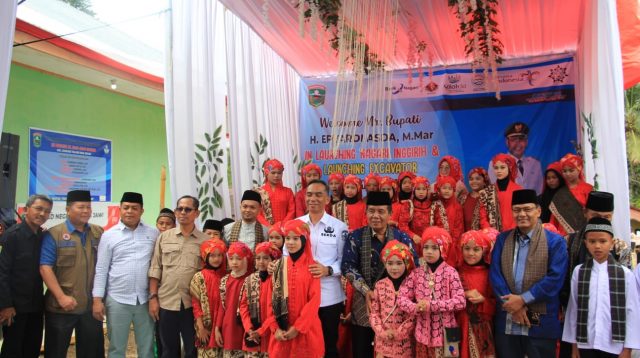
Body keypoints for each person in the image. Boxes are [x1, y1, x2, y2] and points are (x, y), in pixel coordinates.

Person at [489, 189, 568, 358]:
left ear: (538, 211)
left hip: (542, 322)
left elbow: (554, 280)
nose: (522, 214)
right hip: (508, 319)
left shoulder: (555, 242)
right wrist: (513, 306)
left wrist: (523, 300)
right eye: (517, 210)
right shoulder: (502, 239)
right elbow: (495, 274)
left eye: (527, 209)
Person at [341, 191, 419, 357]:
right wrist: (365, 290)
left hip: (396, 308)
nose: (375, 216)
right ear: (366, 212)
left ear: (390, 213)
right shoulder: (355, 237)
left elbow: (414, 267)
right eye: (371, 211)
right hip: (364, 304)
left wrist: (402, 293)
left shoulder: (402, 237)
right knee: (362, 351)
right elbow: (347, 266)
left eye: (381, 211)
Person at [92, 192, 158, 358]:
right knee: (116, 348)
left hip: (145, 300)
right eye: (126, 207)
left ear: (142, 210)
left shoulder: (153, 233)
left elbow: (157, 266)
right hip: (117, 299)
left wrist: (154, 297)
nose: (130, 211)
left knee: (147, 347)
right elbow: (101, 269)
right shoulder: (109, 235)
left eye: (134, 208)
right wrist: (97, 300)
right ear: (120, 209)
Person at [562, 218, 640, 357]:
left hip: (614, 345)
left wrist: (628, 349)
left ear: (611, 243)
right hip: (585, 343)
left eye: (603, 241)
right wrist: (574, 345)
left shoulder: (625, 274)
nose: (597, 246)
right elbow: (574, 309)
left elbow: (632, 311)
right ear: (586, 243)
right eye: (592, 241)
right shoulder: (579, 271)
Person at [39, 190, 104, 358]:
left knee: (92, 353)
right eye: (81, 207)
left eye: (88, 207)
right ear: (68, 210)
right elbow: (45, 268)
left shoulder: (98, 233)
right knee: (56, 352)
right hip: (61, 307)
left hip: (90, 307)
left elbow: (104, 267)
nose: (86, 211)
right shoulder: (54, 234)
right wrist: (61, 297)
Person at [148, 195, 209, 358]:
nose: (183, 212)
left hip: (192, 305)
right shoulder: (164, 237)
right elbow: (155, 268)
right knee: (168, 349)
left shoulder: (205, 241)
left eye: (187, 209)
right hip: (167, 302)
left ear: (196, 213)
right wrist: (153, 298)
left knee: (192, 349)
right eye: (179, 209)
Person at [297, 179, 348, 358]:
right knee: (303, 344)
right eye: (309, 194)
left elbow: (345, 261)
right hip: (301, 296)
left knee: (329, 345)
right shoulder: (296, 225)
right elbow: (287, 257)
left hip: (329, 297)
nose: (313, 199)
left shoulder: (339, 227)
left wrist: (328, 270)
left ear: (327, 199)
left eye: (319, 194)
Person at [398, 227, 466, 357]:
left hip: (446, 336)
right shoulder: (416, 273)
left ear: (443, 249)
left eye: (434, 248)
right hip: (422, 335)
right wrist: (415, 307)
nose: (429, 252)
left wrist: (431, 305)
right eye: (426, 247)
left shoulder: (451, 273)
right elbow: (401, 297)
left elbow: (460, 302)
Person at [0, 194, 52, 357]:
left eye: (47, 211)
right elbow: (2, 273)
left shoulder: (42, 236)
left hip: (35, 306)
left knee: (32, 347)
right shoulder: (12, 236)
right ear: (26, 209)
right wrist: (6, 305)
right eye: (38, 209)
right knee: (13, 350)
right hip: (14, 308)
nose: (42, 214)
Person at [266, 219, 324, 357]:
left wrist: (298, 328)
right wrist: (275, 328)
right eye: (287, 238)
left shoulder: (312, 267)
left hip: (306, 331)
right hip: (282, 332)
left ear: (304, 240)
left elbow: (314, 301)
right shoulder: (278, 266)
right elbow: (270, 300)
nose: (290, 242)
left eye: (295, 238)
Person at [369, 240, 416, 358]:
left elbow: (414, 315)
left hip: (404, 344)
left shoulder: (412, 285)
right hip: (383, 342)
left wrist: (399, 333)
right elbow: (374, 313)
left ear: (406, 263)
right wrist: (382, 332)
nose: (394, 268)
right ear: (385, 264)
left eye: (399, 263)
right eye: (390, 263)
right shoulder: (380, 285)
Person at [456, 229, 498, 358]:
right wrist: (464, 294)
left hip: (482, 328)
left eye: (476, 249)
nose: (470, 253)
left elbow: (497, 303)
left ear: (484, 251)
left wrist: (483, 300)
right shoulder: (454, 272)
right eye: (467, 248)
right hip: (459, 325)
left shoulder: (490, 274)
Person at [239, 241, 281, 357]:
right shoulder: (250, 280)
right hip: (252, 335)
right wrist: (249, 329)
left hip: (271, 334)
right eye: (258, 258)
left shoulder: (278, 280)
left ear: (274, 259)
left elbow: (278, 309)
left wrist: (261, 331)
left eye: (266, 258)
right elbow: (243, 306)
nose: (261, 262)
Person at [190, 238, 227, 358]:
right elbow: (196, 304)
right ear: (205, 256)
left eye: (220, 255)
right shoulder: (199, 277)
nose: (216, 259)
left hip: (223, 327)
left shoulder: (226, 276)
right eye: (212, 256)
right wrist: (201, 328)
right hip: (205, 328)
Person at [216, 242, 253, 357]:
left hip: (247, 328)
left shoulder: (252, 279)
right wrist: (217, 328)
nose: (234, 262)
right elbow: (222, 307)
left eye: (239, 258)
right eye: (231, 258)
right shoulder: (225, 280)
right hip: (229, 329)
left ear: (246, 259)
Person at [488, 122, 543, 194]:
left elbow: (539, 192)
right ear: (507, 142)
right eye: (513, 140)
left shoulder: (536, 164)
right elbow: (494, 192)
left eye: (521, 139)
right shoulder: (495, 164)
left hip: (531, 204)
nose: (518, 144)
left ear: (526, 142)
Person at [430, 176, 464, 266]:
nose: (446, 191)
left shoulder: (457, 207)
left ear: (454, 190)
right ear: (439, 189)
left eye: (450, 188)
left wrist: (451, 243)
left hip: (452, 244)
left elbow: (458, 227)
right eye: (444, 188)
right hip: (437, 243)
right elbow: (432, 223)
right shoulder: (435, 205)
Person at [487, 153, 523, 231]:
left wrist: (513, 229)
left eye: (502, 167)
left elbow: (521, 212)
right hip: (493, 234)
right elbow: (483, 213)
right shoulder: (489, 190)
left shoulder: (518, 190)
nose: (499, 171)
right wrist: (489, 230)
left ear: (509, 168)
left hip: (514, 232)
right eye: (496, 168)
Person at [397, 176, 431, 252]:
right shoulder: (408, 205)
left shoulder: (434, 206)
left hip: (430, 242)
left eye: (424, 189)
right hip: (413, 242)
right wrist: (413, 235)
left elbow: (439, 225)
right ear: (413, 190)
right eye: (418, 189)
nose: (421, 192)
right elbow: (402, 225)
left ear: (427, 190)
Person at [256, 159, 296, 225]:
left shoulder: (288, 191)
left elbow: (292, 211)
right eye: (273, 172)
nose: (276, 175)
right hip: (264, 229)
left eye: (279, 173)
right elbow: (257, 213)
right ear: (266, 173)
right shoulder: (259, 192)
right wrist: (268, 227)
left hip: (284, 229)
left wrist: (281, 226)